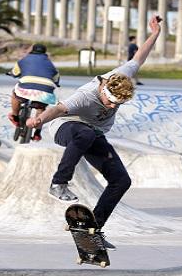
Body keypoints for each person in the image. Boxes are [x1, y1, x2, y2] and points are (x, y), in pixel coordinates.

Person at [26, 15, 163, 249]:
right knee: (86, 133)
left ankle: (92, 230)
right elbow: (59, 109)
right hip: (65, 128)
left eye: (118, 105)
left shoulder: (122, 77)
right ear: (103, 90)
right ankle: (59, 183)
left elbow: (139, 57)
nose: (112, 107)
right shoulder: (86, 95)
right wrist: (39, 119)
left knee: (121, 180)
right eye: (110, 103)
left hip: (93, 134)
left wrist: (155, 33)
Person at [7, 43, 60, 141]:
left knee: (15, 94)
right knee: (40, 108)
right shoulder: (50, 63)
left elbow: (15, 73)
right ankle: (37, 133)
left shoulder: (24, 60)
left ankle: (15, 116)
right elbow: (56, 79)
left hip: (25, 89)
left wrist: (12, 74)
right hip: (45, 91)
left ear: (32, 50)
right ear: (44, 52)